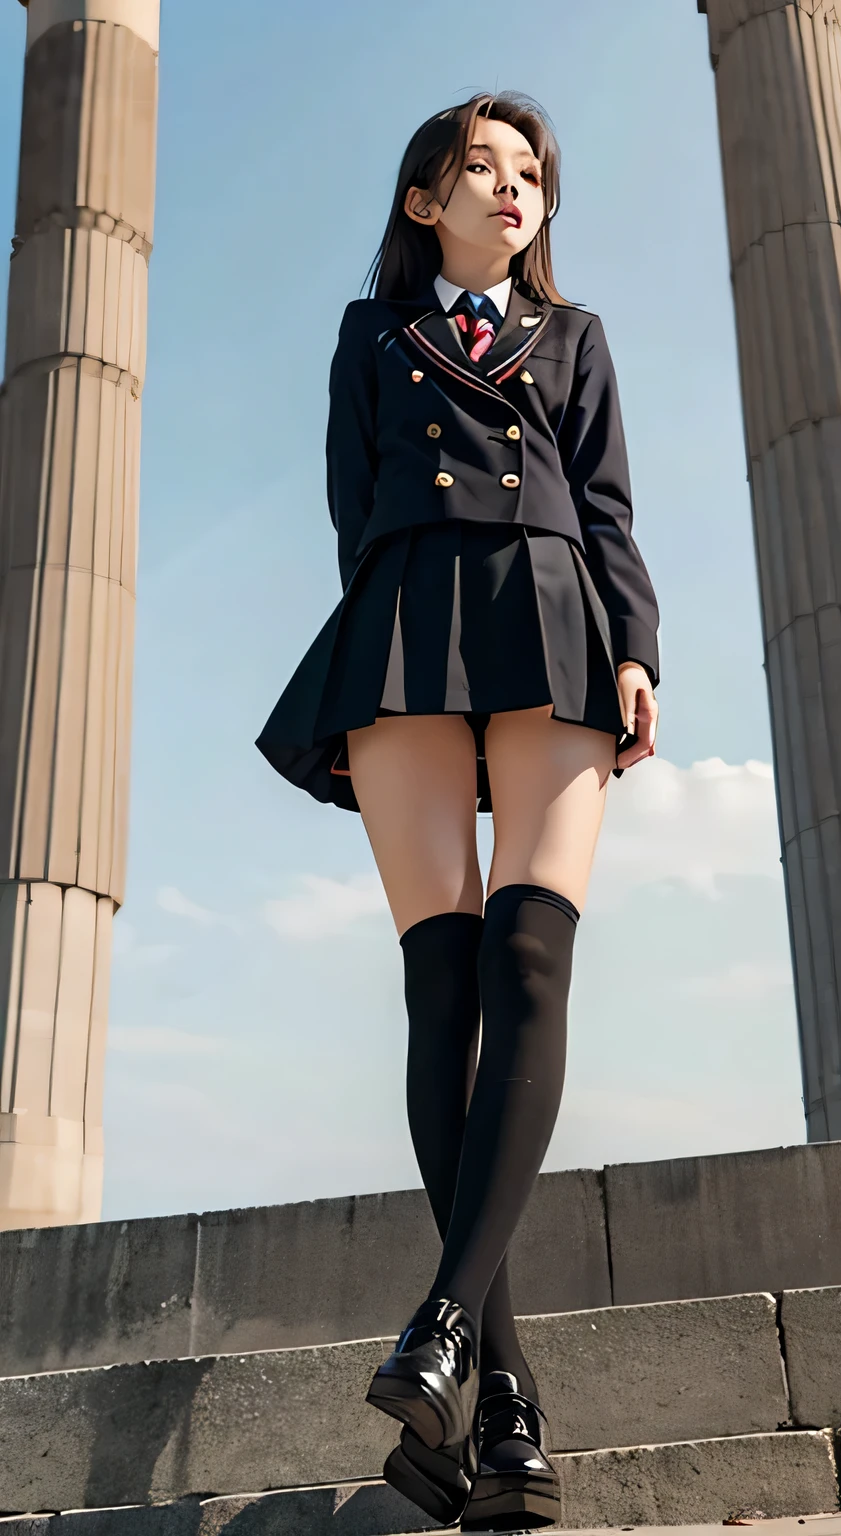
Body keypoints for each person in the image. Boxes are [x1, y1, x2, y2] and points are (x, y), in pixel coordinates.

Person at [256, 90, 660, 1532]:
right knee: (442, 993)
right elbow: (350, 505)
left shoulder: (579, 339)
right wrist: (392, 617)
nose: (513, 187)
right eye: (479, 166)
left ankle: (443, 1326)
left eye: (532, 172)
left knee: (530, 957)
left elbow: (608, 510)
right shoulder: (371, 342)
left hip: (551, 617)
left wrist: (634, 648)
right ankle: (504, 1408)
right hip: (410, 627)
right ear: (424, 201)